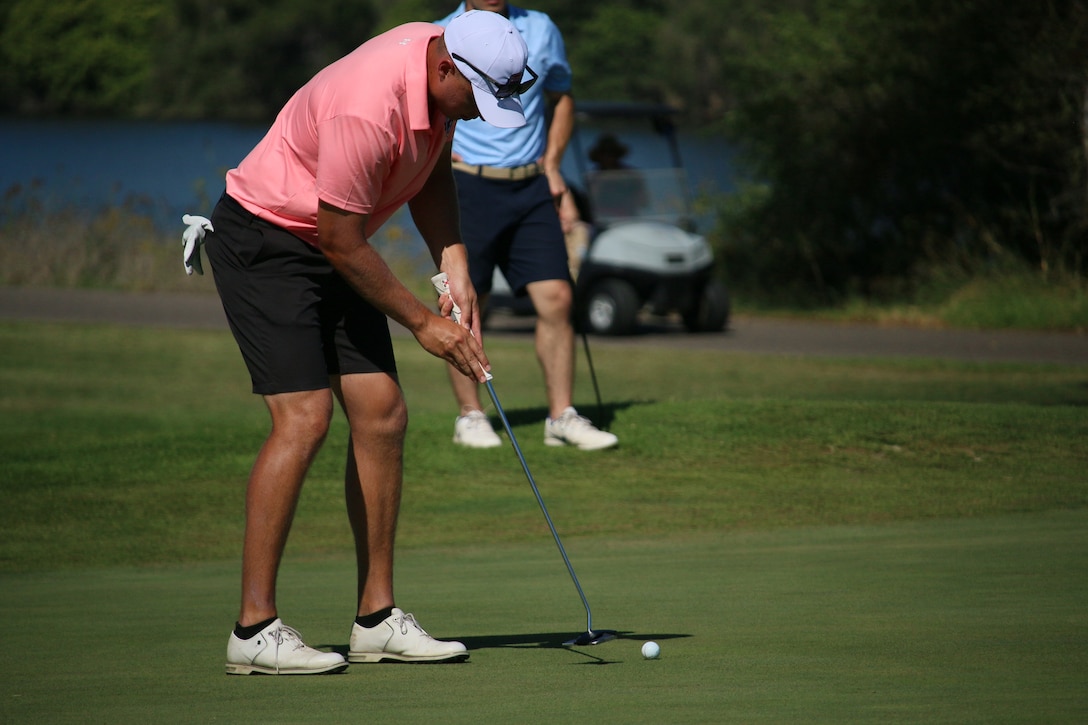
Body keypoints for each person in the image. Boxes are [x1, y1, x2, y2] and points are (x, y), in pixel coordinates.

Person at [187, 11, 531, 675]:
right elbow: (341, 240)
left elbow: (429, 172)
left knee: (382, 413)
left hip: (333, 239)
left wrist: (452, 259)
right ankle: (252, 629)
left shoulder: (447, 62)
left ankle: (376, 618)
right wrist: (426, 323)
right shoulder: (368, 109)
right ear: (444, 69)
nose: (483, 115)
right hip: (268, 239)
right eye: (478, 98)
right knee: (305, 416)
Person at [435, 0, 618, 451]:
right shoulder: (441, 32)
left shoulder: (540, 28)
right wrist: (437, 157)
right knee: (463, 303)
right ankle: (471, 415)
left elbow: (562, 95)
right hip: (467, 184)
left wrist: (553, 164)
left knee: (557, 296)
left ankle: (561, 417)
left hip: (530, 184)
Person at [586, 133, 649, 219]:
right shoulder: (593, 176)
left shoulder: (631, 175)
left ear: (617, 155)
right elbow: (590, 202)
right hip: (603, 220)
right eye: (604, 154)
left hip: (629, 218)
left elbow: (644, 201)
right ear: (599, 156)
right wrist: (602, 181)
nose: (608, 157)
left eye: (612, 154)